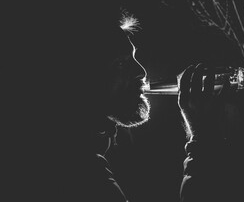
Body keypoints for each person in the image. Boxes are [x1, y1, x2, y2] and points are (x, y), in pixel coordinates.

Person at [75, 11, 234, 202]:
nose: (140, 72)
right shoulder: (76, 170)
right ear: (83, 80)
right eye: (120, 63)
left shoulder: (84, 157)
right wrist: (205, 140)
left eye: (133, 58)